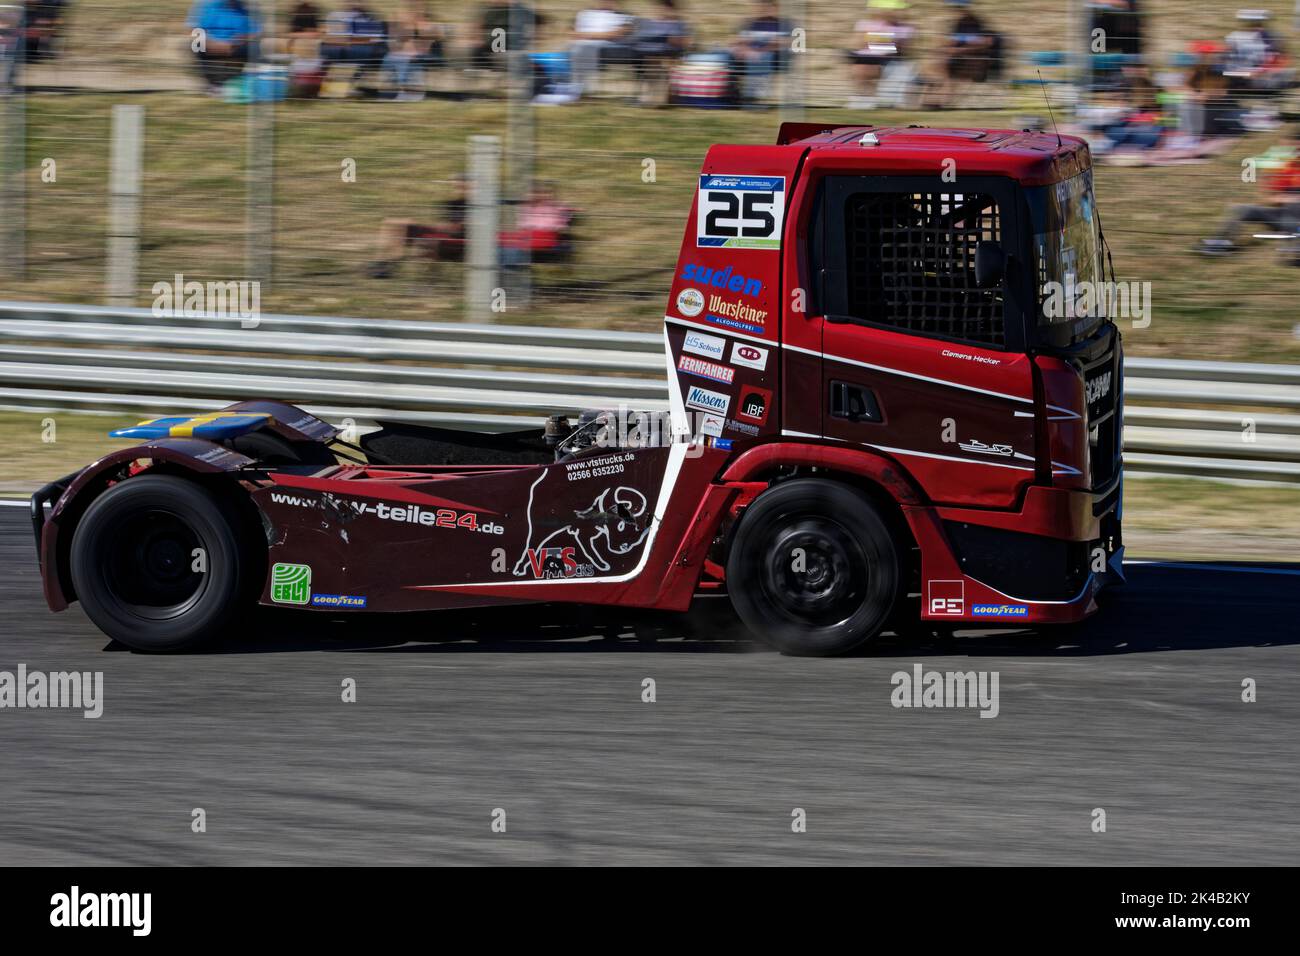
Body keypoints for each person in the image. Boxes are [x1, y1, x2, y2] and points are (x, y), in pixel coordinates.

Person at [1200, 130, 1300, 263]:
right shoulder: (1284, 169)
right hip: (1283, 216)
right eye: (1290, 149)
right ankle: (1220, 243)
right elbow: (1270, 199)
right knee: (1243, 209)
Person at [367, 176, 471, 278]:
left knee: (403, 227)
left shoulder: (479, 206)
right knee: (391, 223)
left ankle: (389, 263)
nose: (459, 191)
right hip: (441, 234)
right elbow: (446, 224)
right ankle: (383, 262)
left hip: (453, 240)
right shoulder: (454, 204)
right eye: (456, 187)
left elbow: (457, 228)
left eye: (463, 188)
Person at [846, 0, 916, 110]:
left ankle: (866, 98)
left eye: (896, 10)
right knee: (860, 68)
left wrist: (874, 41)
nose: (895, 13)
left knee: (868, 67)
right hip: (865, 57)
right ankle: (861, 97)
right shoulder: (865, 24)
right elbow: (859, 44)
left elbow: (901, 50)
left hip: (887, 60)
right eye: (892, 10)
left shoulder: (905, 28)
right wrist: (885, 41)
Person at [623, 0, 690, 105]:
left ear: (672, 10)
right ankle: (646, 97)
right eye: (660, 8)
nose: (661, 11)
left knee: (651, 62)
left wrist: (667, 38)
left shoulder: (678, 24)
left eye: (665, 9)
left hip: (667, 53)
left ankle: (651, 98)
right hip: (645, 52)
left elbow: (683, 42)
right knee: (640, 58)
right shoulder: (650, 23)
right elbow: (638, 38)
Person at [187, 0, 262, 93]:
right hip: (209, 43)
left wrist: (234, 44)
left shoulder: (248, 7)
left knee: (255, 47)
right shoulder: (204, 4)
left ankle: (235, 83)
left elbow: (255, 32)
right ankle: (212, 84)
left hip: (235, 45)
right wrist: (210, 43)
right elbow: (194, 30)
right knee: (195, 44)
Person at [382, 0, 448, 100]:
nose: (414, 7)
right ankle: (390, 90)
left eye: (417, 5)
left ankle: (408, 91)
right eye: (412, 5)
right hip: (410, 51)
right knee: (390, 57)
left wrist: (420, 31)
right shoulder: (408, 20)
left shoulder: (429, 23)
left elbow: (439, 36)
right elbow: (401, 38)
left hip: (423, 52)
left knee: (404, 59)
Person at [568, 2, 634, 97]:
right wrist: (585, 36)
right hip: (583, 44)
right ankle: (576, 88)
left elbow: (615, 34)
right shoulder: (585, 13)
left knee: (582, 48)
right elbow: (573, 32)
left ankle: (578, 89)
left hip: (610, 46)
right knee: (575, 48)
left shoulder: (624, 15)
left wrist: (587, 35)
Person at [729, 0, 789, 104]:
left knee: (762, 57)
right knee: (727, 54)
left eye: (768, 6)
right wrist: (745, 47)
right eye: (761, 5)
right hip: (748, 54)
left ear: (776, 8)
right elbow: (736, 41)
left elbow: (786, 42)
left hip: (772, 55)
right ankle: (730, 93)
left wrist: (762, 48)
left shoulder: (783, 24)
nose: (764, 8)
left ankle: (755, 96)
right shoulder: (748, 23)